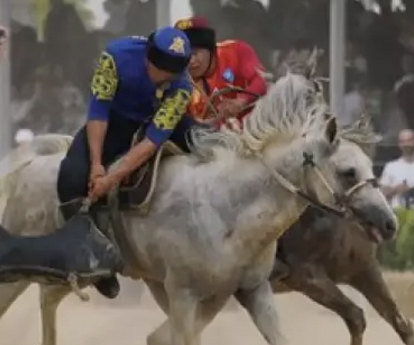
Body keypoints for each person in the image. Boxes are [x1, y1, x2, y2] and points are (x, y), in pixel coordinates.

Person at [56, 26, 193, 297]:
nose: (165, 77)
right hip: (109, 124)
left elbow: (153, 140)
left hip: (145, 132)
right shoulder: (115, 57)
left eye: (172, 72)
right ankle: (93, 256)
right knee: (71, 179)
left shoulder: (182, 87)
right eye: (160, 69)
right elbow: (98, 109)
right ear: (147, 58)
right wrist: (96, 164)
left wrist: (111, 178)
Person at [174, 16, 267, 126]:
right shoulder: (182, 83)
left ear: (211, 49)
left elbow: (261, 80)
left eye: (195, 53)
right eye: (186, 56)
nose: (191, 61)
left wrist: (241, 101)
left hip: (264, 125)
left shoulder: (236, 51)